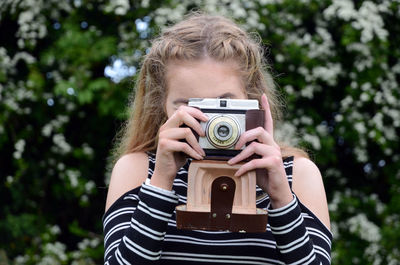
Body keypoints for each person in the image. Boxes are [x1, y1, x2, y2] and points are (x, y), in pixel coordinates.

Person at [103, 12, 332, 265]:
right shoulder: (137, 170)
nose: (209, 120)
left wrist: (282, 200)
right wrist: (159, 184)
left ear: (252, 98)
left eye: (224, 103)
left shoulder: (297, 176)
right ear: (162, 105)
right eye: (189, 105)